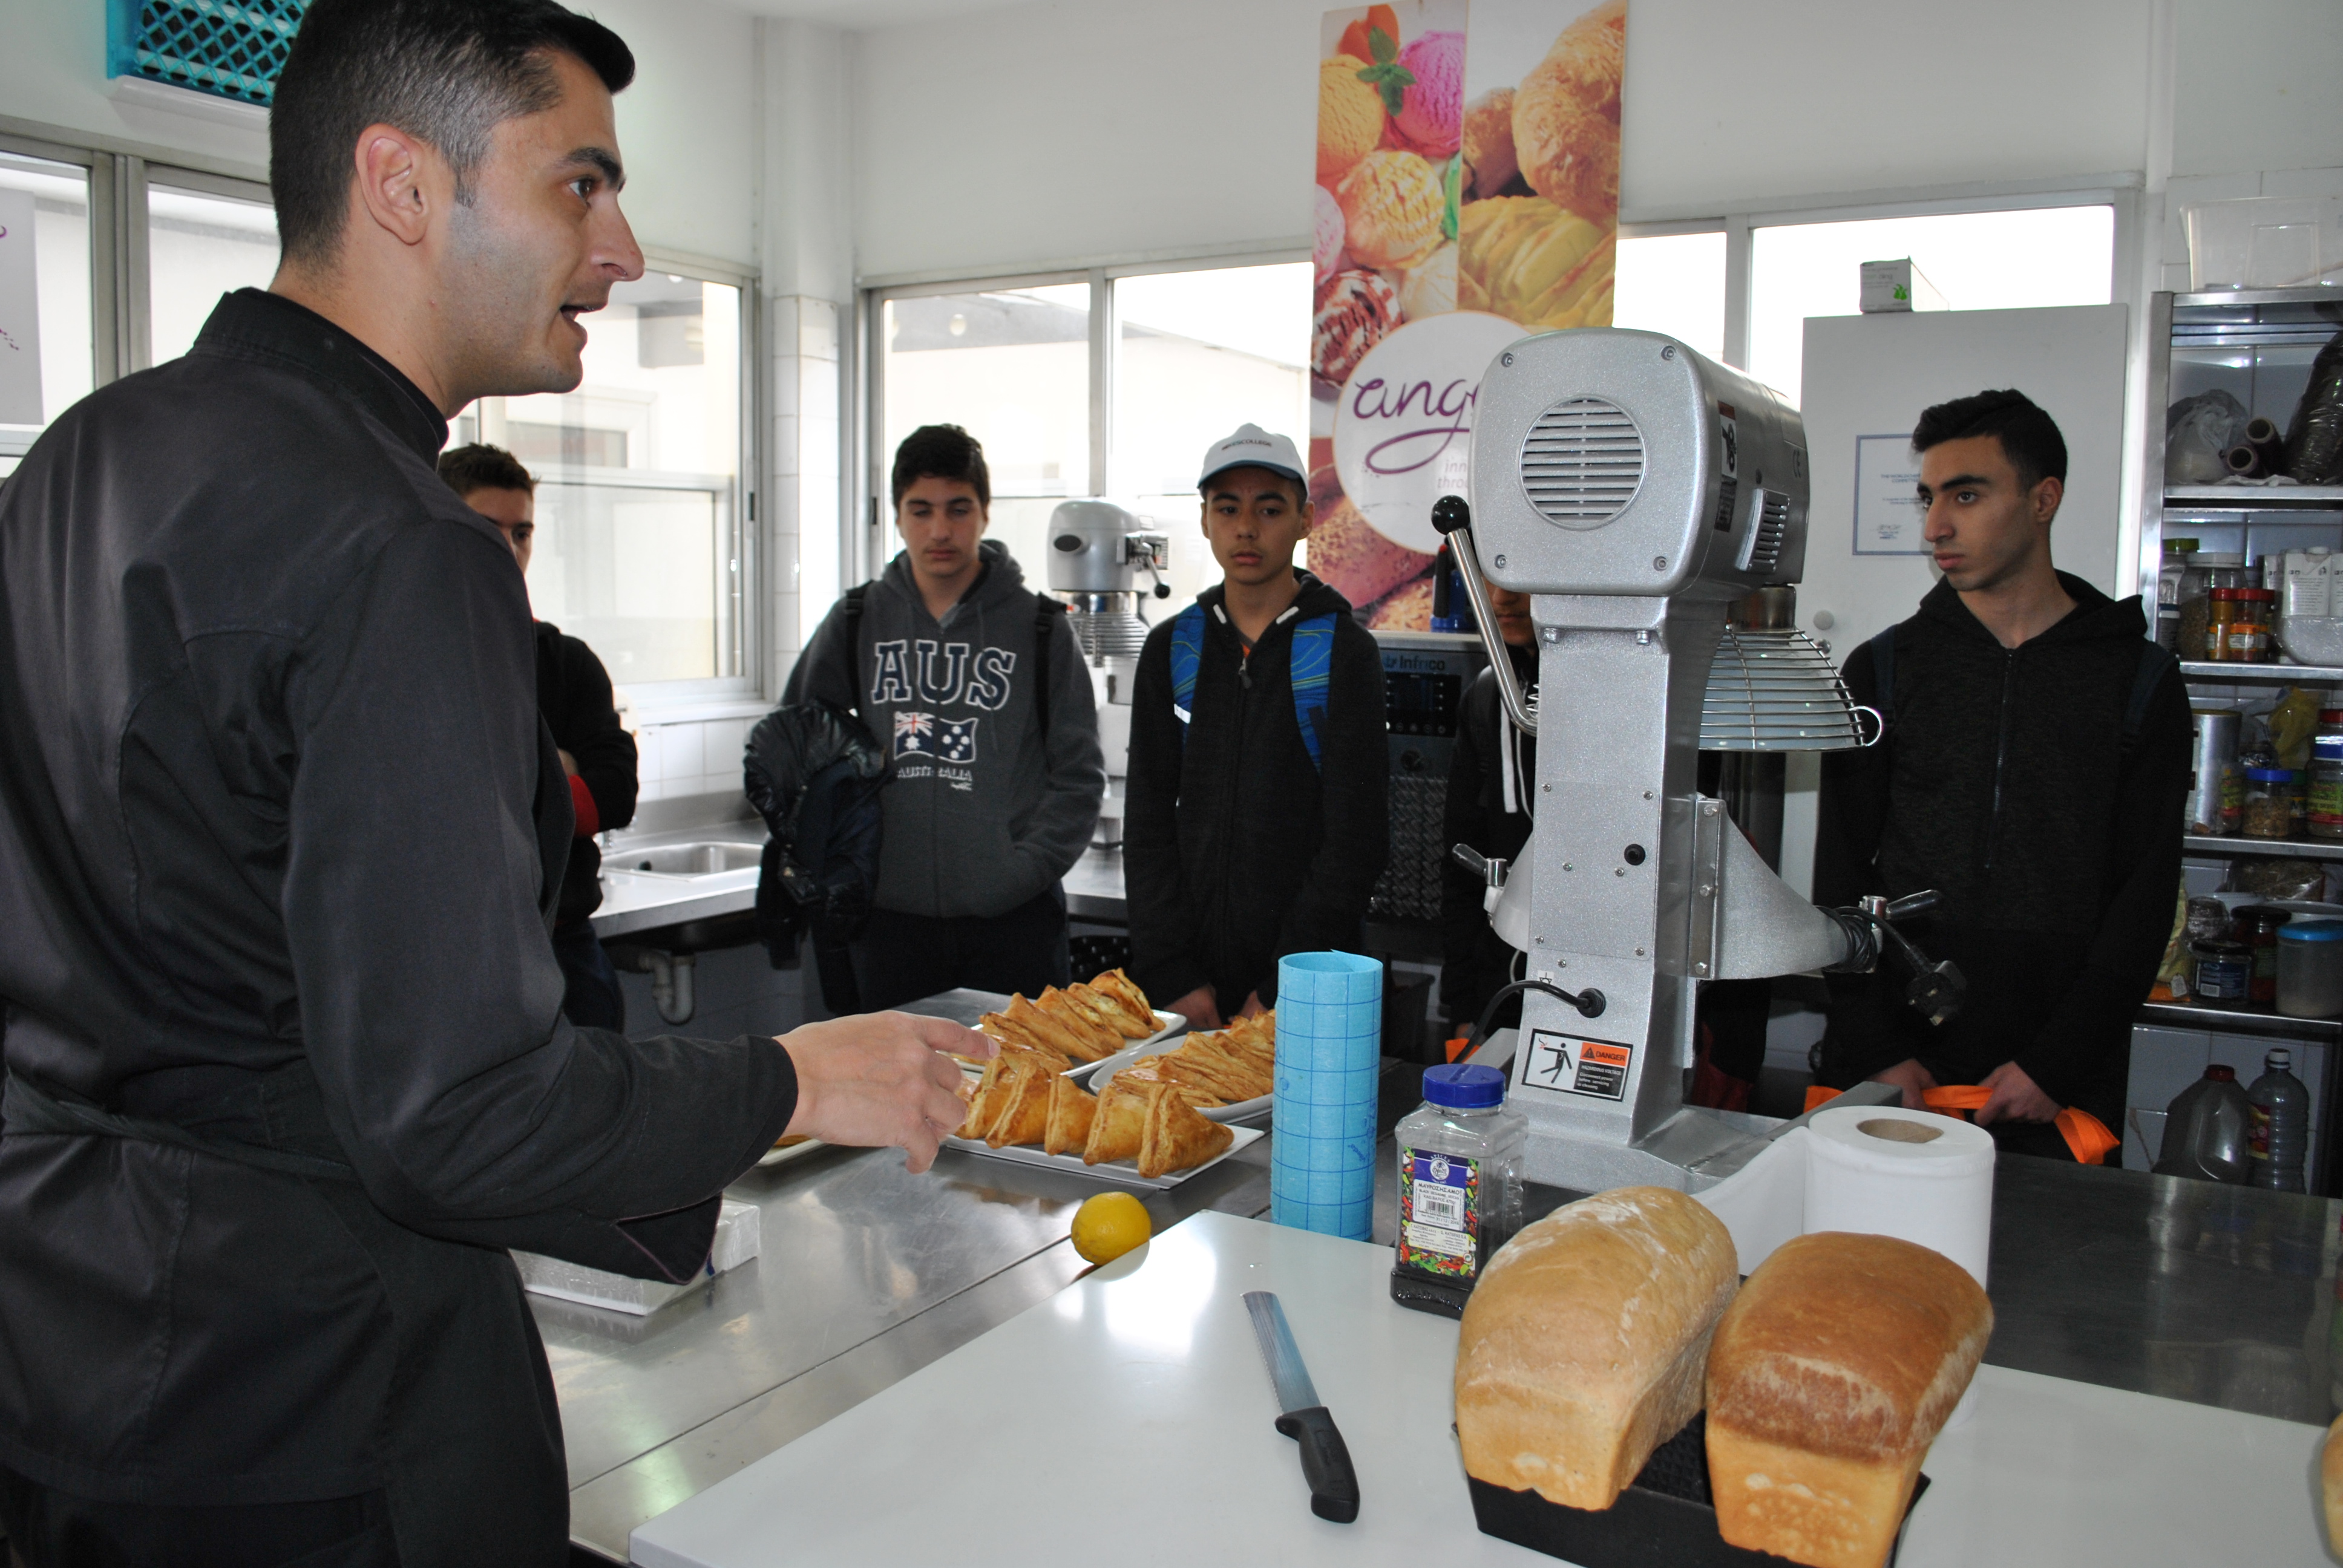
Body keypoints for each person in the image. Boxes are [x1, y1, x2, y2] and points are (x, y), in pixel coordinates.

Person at [0, 4, 981, 1563]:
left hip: (64, 1353)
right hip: (316, 1390)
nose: (624, 251)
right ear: (402, 184)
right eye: (580, 185)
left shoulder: (79, 459)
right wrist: (796, 1077)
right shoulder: (400, 541)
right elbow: (455, 1110)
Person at [1812, 389, 2188, 1157]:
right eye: (1927, 498)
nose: (1934, 527)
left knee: (2041, 1238)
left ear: (2042, 500)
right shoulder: (1882, 668)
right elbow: (1840, 874)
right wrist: (1875, 1047)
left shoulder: (2138, 679)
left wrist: (2057, 1062)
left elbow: (2144, 893)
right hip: (1896, 1061)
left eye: (1966, 495)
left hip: (2056, 1073)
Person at [786, 424, 1105, 1011]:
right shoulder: (856, 620)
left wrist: (1018, 872)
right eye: (921, 510)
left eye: (958, 509)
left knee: (1020, 1072)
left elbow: (1079, 777)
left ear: (984, 513)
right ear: (897, 516)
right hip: (887, 926)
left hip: (1014, 923)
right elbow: (793, 754)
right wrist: (846, 861)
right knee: (892, 1074)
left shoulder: (1040, 628)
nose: (939, 530)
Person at [1126, 425, 1389, 1030]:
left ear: (1305, 520)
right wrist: (1173, 975)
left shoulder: (1344, 653)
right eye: (1227, 508)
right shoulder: (1172, 650)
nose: (1246, 528)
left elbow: (1356, 841)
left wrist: (1279, 989)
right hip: (1186, 992)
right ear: (1204, 519)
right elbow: (1146, 826)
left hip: (1308, 988)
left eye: (1269, 509)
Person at [439, 441, 636, 1031]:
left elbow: (614, 795)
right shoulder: (407, 657)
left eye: (521, 532)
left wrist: (514, 780)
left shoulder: (565, 663)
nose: (507, 549)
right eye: (486, 529)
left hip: (563, 947)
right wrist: (557, 768)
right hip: (453, 953)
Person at [1441, 581, 1536, 1038]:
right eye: (1490, 575)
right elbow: (1462, 862)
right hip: (1497, 993)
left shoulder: (1629, 697)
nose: (1501, 598)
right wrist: (1463, 1007)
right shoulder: (1488, 695)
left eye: (1524, 576)